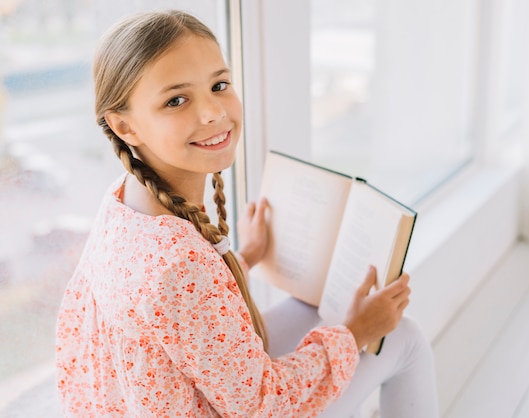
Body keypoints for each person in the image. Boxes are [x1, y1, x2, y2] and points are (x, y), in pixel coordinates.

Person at [55, 10, 439, 418]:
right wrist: (359, 331)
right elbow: (264, 405)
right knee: (404, 338)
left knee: (315, 310)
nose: (212, 113)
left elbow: (176, 320)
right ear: (124, 126)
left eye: (219, 85)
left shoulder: (121, 202)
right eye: (176, 100)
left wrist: (245, 257)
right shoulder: (181, 264)